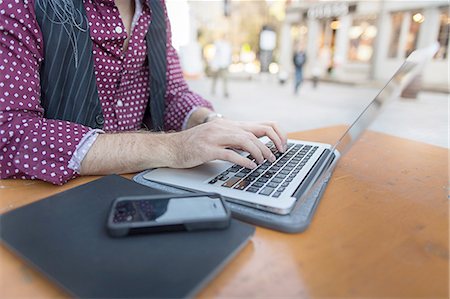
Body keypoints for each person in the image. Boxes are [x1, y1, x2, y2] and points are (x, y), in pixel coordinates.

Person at [0, 0, 287, 185]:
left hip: (142, 187)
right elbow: (10, 134)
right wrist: (175, 147)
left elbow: (173, 94)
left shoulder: (155, 9)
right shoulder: (22, 5)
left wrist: (212, 123)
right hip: (54, 198)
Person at [210, 34, 232, 98]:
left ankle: (225, 92)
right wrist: (214, 65)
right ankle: (213, 90)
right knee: (215, 78)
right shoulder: (218, 44)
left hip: (224, 65)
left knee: (225, 79)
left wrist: (229, 63)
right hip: (217, 65)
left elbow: (228, 56)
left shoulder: (228, 45)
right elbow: (216, 55)